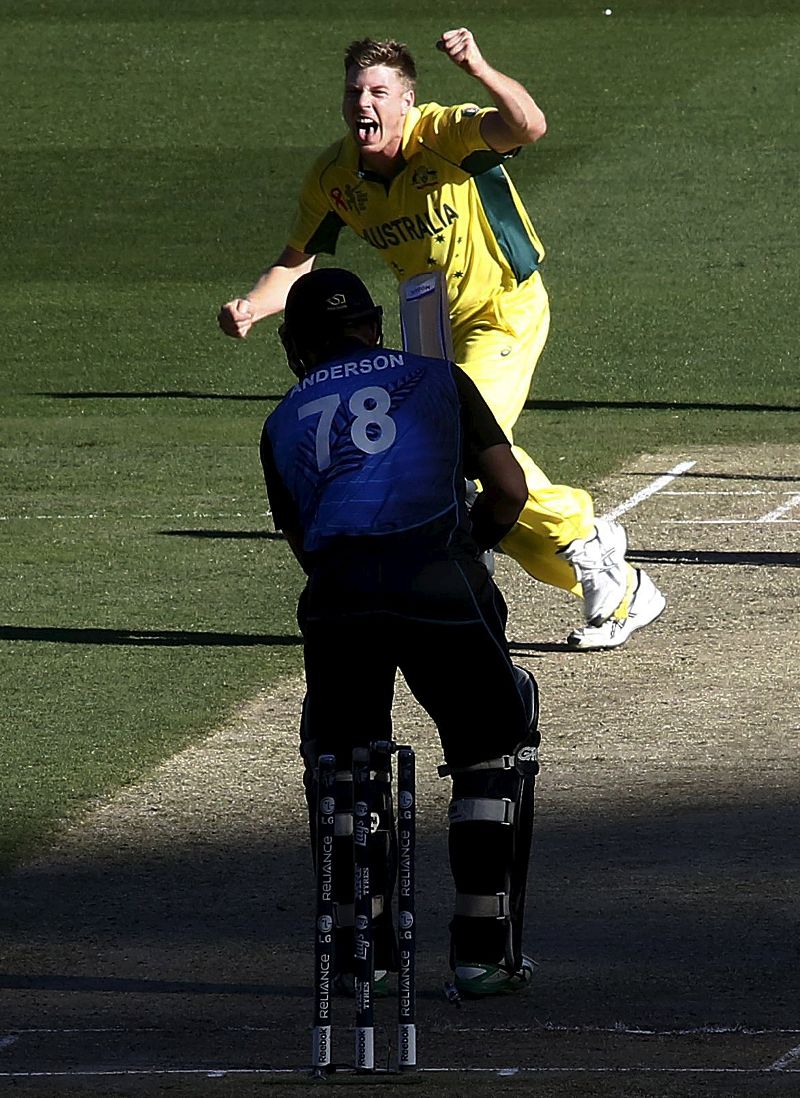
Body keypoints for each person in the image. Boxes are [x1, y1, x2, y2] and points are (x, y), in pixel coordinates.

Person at [223, 28, 666, 650]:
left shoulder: (444, 134)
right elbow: (297, 263)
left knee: (458, 443)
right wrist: (253, 306)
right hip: (430, 330)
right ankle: (611, 582)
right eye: (354, 92)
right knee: (468, 475)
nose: (363, 104)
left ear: (406, 101)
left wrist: (480, 67)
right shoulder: (335, 176)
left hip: (503, 310)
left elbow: (528, 126)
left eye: (379, 91)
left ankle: (586, 537)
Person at [260, 266, 542, 997]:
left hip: (339, 598)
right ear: (372, 324)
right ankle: (482, 956)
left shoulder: (282, 420)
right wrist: (469, 547)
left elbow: (310, 550)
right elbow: (510, 491)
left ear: (297, 344)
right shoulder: (441, 379)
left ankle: (369, 960)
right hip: (436, 581)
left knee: (345, 771)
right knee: (491, 753)